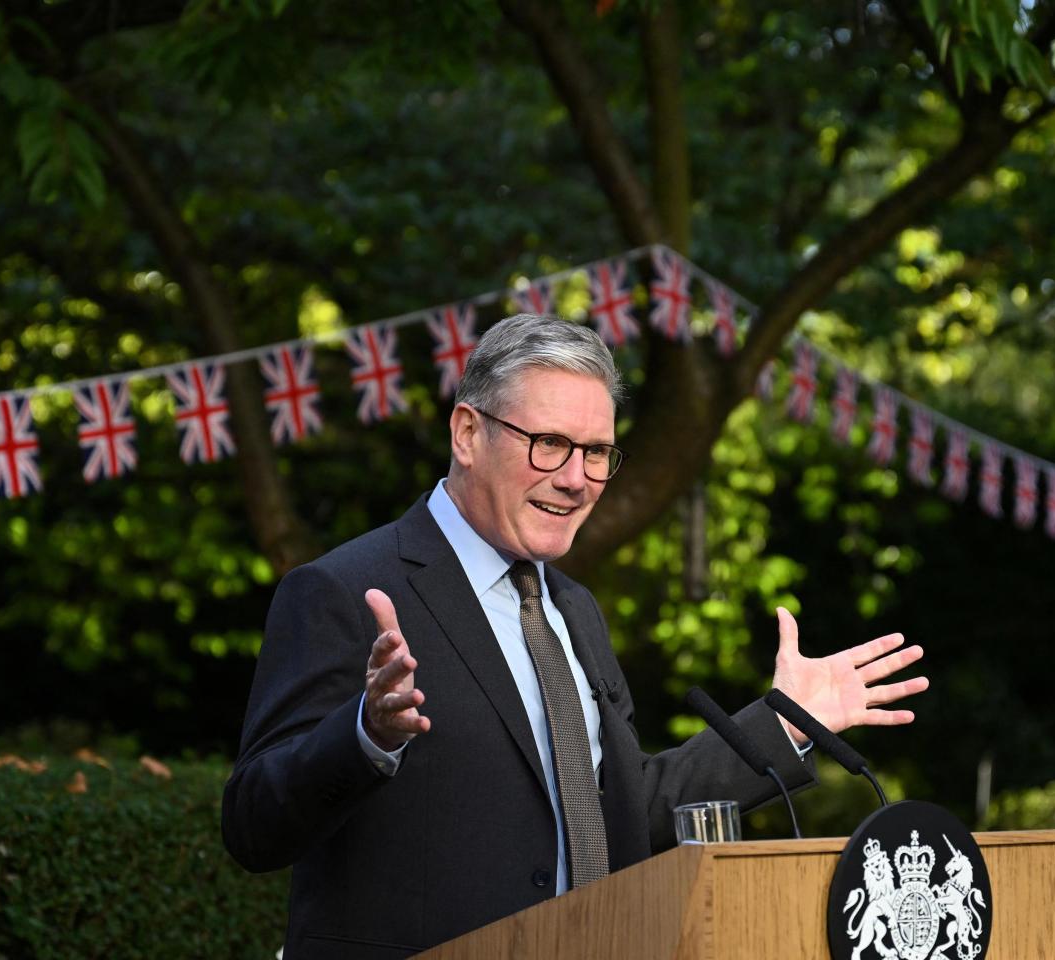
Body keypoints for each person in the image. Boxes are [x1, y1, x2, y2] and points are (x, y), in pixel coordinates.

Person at [222, 313, 928, 958]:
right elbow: (253, 824)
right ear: (467, 433)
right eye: (550, 444)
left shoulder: (573, 609)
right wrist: (366, 734)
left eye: (597, 452)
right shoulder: (345, 590)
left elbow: (623, 810)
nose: (576, 479)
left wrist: (785, 726)